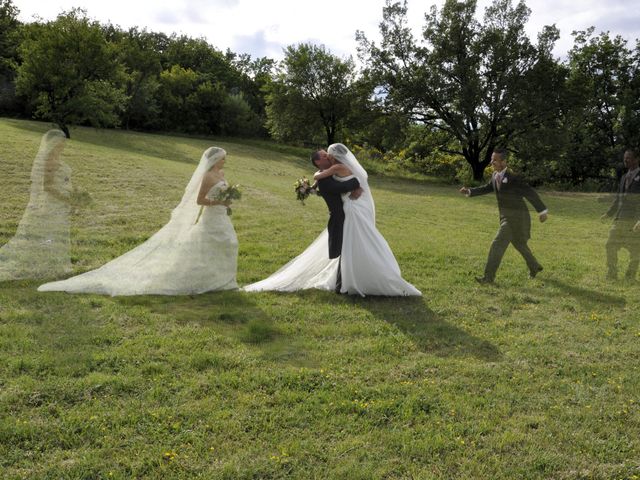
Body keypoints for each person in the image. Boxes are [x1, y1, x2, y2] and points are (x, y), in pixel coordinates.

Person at [38, 147, 238, 296]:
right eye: (223, 158)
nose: (225, 161)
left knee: (229, 244)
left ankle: (222, 279)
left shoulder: (220, 174)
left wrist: (228, 200)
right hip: (212, 216)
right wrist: (220, 201)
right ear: (215, 159)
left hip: (222, 216)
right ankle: (212, 280)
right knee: (215, 245)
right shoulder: (207, 177)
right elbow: (200, 200)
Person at [244, 143, 421, 297]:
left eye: (327, 153)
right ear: (318, 162)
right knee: (353, 245)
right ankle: (348, 280)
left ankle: (353, 279)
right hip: (347, 210)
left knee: (357, 243)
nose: (327, 156)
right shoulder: (328, 173)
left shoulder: (334, 170)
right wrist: (351, 185)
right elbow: (336, 185)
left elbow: (337, 182)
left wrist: (351, 184)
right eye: (323, 155)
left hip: (352, 209)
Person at [460, 148, 548, 284]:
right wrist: (470, 191)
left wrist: (542, 211)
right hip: (505, 217)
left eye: (494, 160)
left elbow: (530, 193)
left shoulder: (514, 178)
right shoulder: (495, 176)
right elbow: (487, 188)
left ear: (503, 162)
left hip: (517, 219)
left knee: (497, 244)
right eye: (491, 159)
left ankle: (488, 278)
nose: (491, 162)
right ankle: (534, 266)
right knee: (519, 244)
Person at [0, 129, 72, 281]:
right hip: (51, 205)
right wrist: (67, 198)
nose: (63, 145)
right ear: (53, 144)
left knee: (53, 237)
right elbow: (48, 187)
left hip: (59, 206)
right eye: (60, 143)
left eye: (63, 142)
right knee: (40, 237)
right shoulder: (48, 160)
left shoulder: (55, 158)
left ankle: (55, 267)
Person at [602, 148, 640, 280]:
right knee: (610, 244)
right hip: (620, 219)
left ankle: (630, 276)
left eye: (629, 158)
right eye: (625, 157)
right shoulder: (624, 177)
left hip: (635, 220)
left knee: (635, 251)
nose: (626, 160)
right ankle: (612, 273)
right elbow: (618, 198)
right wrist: (608, 214)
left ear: (636, 159)